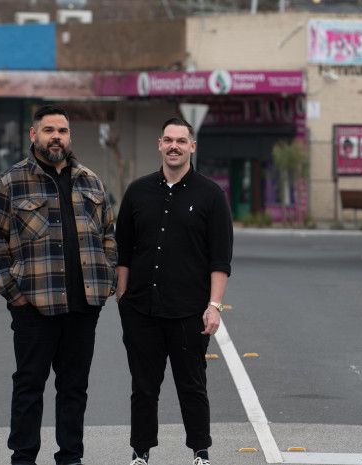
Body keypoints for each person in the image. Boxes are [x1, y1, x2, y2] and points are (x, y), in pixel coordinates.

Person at [0, 105, 117, 465]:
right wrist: (14, 293)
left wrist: (104, 285)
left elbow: (108, 236)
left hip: (83, 306)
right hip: (34, 307)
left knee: (74, 388)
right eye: (49, 130)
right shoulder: (10, 182)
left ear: (69, 136)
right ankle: (23, 457)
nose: (56, 136)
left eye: (62, 130)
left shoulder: (91, 181)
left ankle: (71, 456)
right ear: (33, 135)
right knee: (29, 386)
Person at [115, 117, 233, 465]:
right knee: (143, 387)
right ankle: (140, 452)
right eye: (168, 140)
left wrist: (214, 305)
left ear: (192, 146)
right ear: (159, 144)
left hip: (188, 312)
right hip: (141, 311)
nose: (174, 147)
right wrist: (122, 295)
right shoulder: (138, 191)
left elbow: (220, 259)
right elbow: (123, 248)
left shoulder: (211, 195)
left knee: (192, 386)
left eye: (181, 141)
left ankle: (200, 451)